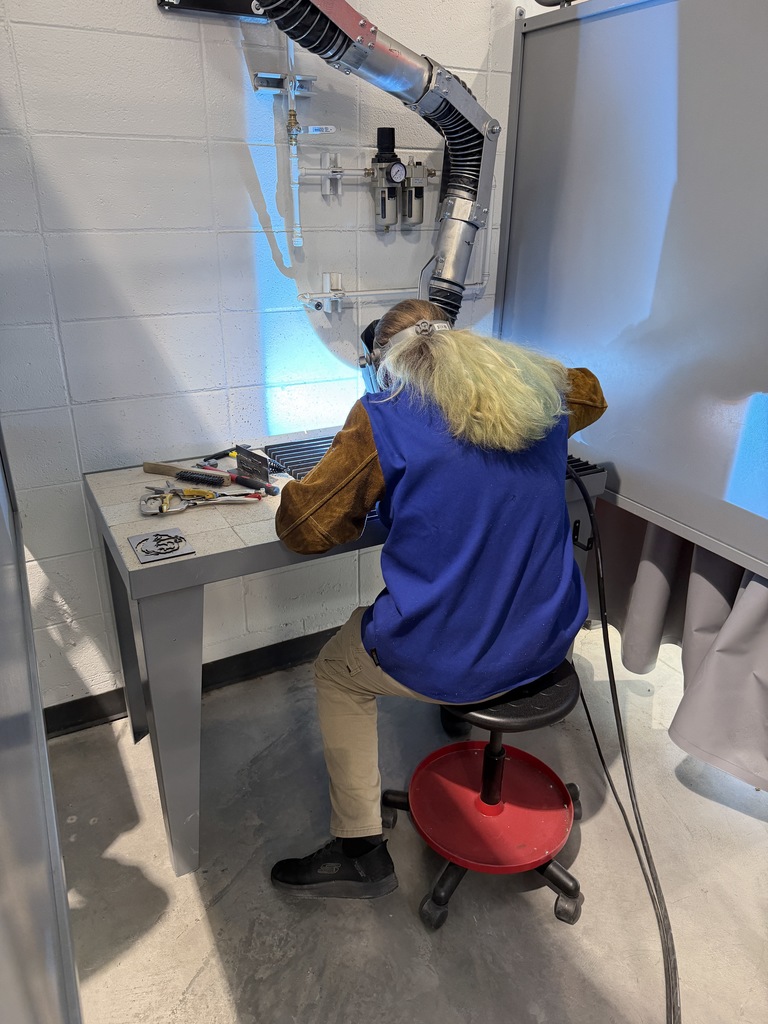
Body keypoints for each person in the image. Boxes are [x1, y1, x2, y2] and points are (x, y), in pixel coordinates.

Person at [270, 299, 607, 899]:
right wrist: (510, 370)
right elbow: (591, 393)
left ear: (384, 366)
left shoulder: (384, 416)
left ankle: (359, 849)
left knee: (336, 672)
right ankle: (459, 710)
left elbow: (304, 530)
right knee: (476, 587)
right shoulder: (541, 399)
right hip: (549, 638)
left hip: (455, 656)